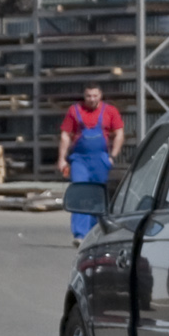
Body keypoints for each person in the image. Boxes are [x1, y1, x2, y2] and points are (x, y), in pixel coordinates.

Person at [57, 85, 125, 241]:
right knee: (81, 193)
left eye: (95, 95)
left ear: (100, 95)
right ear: (84, 96)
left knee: (96, 196)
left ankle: (94, 233)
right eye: (88, 96)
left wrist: (112, 156)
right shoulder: (74, 111)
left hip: (100, 160)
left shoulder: (110, 111)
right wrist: (62, 158)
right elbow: (65, 135)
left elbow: (119, 133)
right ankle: (80, 234)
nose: (92, 99)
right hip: (79, 159)